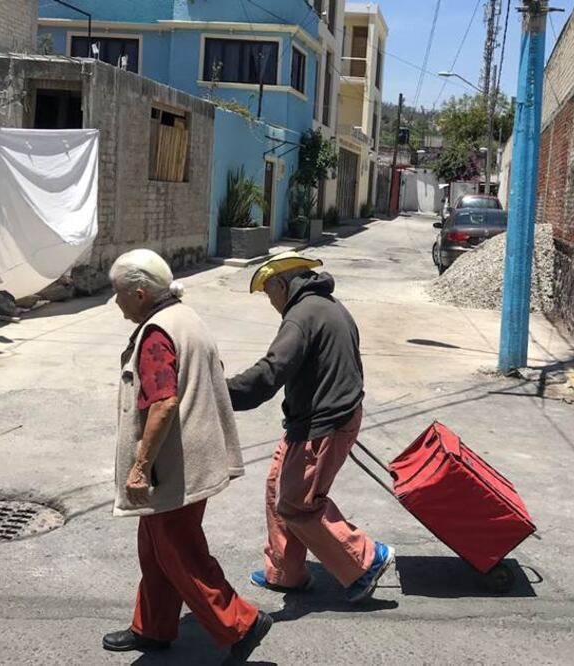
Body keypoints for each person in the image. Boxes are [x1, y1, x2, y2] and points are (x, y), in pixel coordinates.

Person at [102, 249, 271, 663]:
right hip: (191, 457)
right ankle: (154, 627)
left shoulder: (157, 334)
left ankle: (241, 623)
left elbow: (163, 403)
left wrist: (140, 467)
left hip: (173, 466)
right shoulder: (184, 316)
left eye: (118, 292)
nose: (115, 301)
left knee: (180, 551)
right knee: (155, 547)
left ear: (140, 294)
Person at [226, 251, 394, 603]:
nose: (271, 302)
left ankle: (366, 558)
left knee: (297, 504)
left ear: (280, 284)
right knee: (277, 486)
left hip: (325, 423)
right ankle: (286, 572)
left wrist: (220, 392)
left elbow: (271, 372)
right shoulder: (326, 305)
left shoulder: (301, 316)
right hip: (318, 419)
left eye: (269, 294)